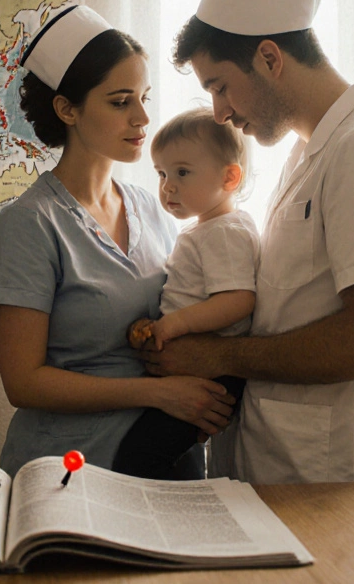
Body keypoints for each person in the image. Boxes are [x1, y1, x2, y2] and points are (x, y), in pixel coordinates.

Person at [137, 0, 354, 484]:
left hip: (336, 482)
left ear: (270, 57)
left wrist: (214, 356)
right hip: (284, 471)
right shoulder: (308, 155)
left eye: (222, 86)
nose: (219, 113)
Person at [0, 5, 236, 478]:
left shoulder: (156, 209)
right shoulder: (28, 227)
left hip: (167, 457)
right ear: (67, 109)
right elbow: (23, 383)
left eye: (144, 97)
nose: (142, 118)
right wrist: (159, 393)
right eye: (120, 102)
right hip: (70, 470)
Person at [112, 107, 259, 479]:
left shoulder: (224, 231)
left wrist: (174, 325)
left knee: (139, 460)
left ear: (229, 177)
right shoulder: (204, 229)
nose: (168, 186)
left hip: (213, 374)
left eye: (182, 172)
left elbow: (238, 301)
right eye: (162, 173)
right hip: (198, 368)